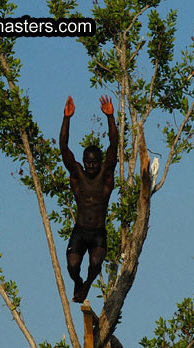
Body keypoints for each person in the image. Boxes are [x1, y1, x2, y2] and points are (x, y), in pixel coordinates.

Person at [59, 94, 118, 303]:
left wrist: (110, 117)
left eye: (95, 162)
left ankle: (86, 286)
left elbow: (114, 145)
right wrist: (67, 118)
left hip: (99, 231)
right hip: (80, 230)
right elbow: (64, 149)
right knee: (72, 265)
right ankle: (78, 281)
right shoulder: (77, 175)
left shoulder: (106, 175)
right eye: (88, 162)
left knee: (95, 262)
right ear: (83, 162)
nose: (91, 166)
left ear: (101, 162)